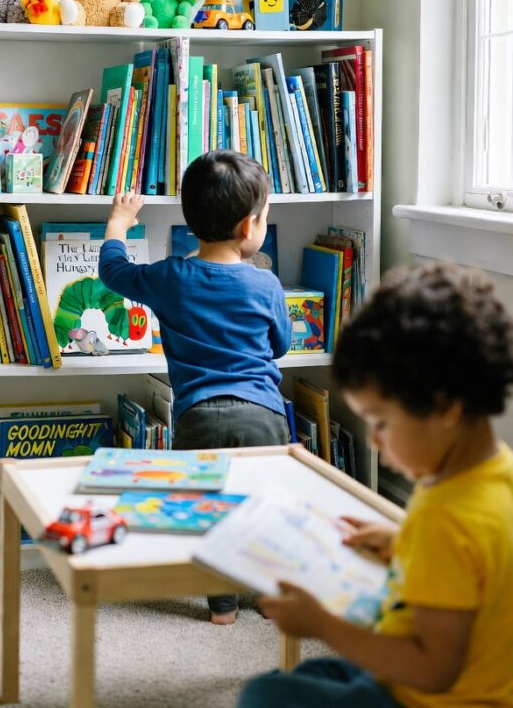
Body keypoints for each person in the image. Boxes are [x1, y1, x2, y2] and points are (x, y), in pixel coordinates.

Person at [238, 261, 513, 708]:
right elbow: (480, 567)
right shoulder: (491, 473)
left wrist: (323, 626)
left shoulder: (448, 519)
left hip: (429, 697)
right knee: (313, 676)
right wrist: (405, 542)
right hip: (455, 680)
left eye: (381, 422)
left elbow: (433, 669)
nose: (373, 440)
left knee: (265, 694)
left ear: (446, 408)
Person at [98, 150, 293, 625]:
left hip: (196, 417)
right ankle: (268, 595)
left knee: (207, 511)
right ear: (248, 227)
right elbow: (281, 346)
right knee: (263, 509)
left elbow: (113, 271)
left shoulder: (170, 277)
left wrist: (119, 223)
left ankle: (222, 607)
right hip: (262, 415)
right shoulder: (265, 284)